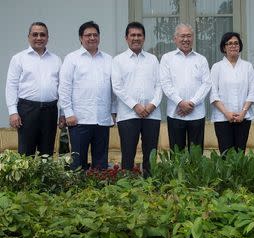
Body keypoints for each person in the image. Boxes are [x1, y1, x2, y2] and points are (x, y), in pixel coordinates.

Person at [59, 21, 115, 170]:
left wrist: (113, 111)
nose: (92, 38)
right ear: (80, 38)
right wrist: (68, 113)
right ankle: (78, 192)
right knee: (78, 163)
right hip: (79, 120)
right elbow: (64, 88)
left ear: (99, 37)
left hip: (102, 120)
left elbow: (114, 88)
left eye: (95, 35)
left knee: (101, 163)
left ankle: (99, 193)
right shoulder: (72, 59)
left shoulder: (109, 60)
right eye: (88, 35)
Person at [112, 22, 162, 176]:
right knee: (128, 155)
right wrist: (136, 106)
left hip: (152, 115)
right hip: (128, 115)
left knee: (150, 155)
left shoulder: (153, 59)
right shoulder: (118, 60)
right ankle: (127, 187)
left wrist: (152, 105)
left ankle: (150, 187)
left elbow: (160, 85)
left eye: (139, 35)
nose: (136, 38)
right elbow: (117, 87)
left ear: (144, 38)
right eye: (132, 35)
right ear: (126, 38)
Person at [5, 22, 61, 156]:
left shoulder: (56, 59)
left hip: (50, 110)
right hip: (27, 110)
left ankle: (45, 178)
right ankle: (26, 178)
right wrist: (13, 111)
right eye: (35, 34)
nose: (39, 38)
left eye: (42, 34)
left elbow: (61, 88)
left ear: (48, 37)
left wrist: (63, 112)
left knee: (46, 153)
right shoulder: (18, 58)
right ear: (28, 37)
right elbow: (11, 85)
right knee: (25, 154)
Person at [160, 23, 211, 152]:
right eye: (182, 36)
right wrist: (180, 102)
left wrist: (192, 103)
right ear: (175, 38)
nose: (186, 39)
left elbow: (206, 84)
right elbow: (165, 83)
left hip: (197, 113)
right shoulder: (167, 58)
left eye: (189, 36)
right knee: (177, 155)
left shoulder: (201, 59)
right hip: (175, 113)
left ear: (193, 38)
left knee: (196, 155)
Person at [210, 32, 254, 154]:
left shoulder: (247, 66)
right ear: (224, 47)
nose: (233, 46)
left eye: (236, 43)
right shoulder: (217, 67)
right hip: (222, 118)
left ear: (240, 46)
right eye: (229, 43)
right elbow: (213, 93)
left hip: (243, 118)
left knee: (240, 153)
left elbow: (252, 91)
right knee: (225, 153)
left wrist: (243, 112)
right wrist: (226, 113)